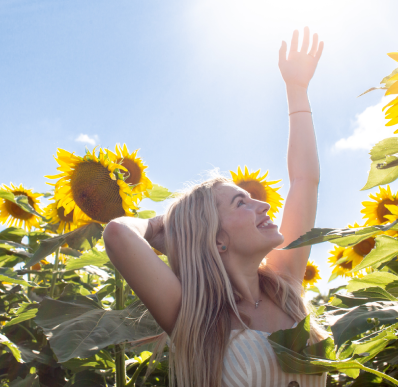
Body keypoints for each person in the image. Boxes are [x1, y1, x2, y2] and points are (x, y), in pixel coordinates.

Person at [103, 27, 326, 387]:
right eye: (242, 202)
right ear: (216, 238)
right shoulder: (193, 315)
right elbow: (117, 234)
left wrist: (297, 89)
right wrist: (166, 224)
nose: (264, 203)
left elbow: (305, 180)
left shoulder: (283, 286)